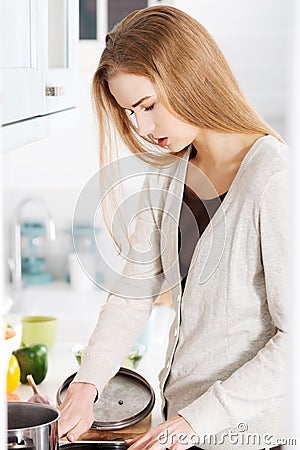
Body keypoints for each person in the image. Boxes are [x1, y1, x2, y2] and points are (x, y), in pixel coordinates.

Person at [58, 6, 287, 449]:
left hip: (252, 437)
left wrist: (197, 420)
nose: (142, 127)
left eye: (148, 105)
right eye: (131, 113)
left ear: (191, 77)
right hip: (181, 430)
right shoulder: (168, 175)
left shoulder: (273, 178)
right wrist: (86, 385)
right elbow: (132, 293)